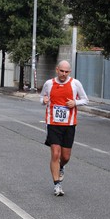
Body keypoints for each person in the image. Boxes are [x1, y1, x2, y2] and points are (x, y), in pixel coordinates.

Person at [40, 60, 89, 196]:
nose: (64, 74)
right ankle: (57, 185)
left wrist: (75, 102)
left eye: (66, 72)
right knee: (55, 153)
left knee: (65, 156)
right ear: (57, 70)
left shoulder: (75, 84)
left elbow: (85, 99)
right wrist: (43, 100)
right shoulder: (49, 83)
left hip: (69, 124)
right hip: (53, 123)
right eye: (62, 71)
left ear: (70, 72)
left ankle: (61, 166)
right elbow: (42, 97)